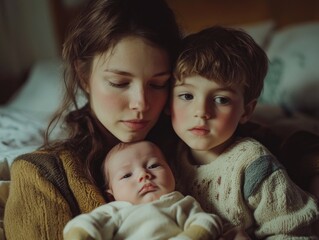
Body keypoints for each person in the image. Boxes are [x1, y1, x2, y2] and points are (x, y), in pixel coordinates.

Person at [3, 0, 181, 239]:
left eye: (158, 84)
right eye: (119, 83)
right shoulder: (41, 174)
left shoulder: (202, 146)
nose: (141, 103)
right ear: (83, 77)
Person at [169, 26, 319, 239]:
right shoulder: (167, 157)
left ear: (246, 111)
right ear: (168, 101)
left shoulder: (254, 164)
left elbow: (295, 232)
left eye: (221, 99)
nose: (201, 112)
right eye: (186, 96)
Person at [63, 141, 223, 240]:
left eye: (154, 165)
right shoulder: (116, 210)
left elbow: (206, 222)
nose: (143, 175)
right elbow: (88, 224)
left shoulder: (180, 202)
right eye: (126, 175)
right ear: (110, 195)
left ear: (172, 172)